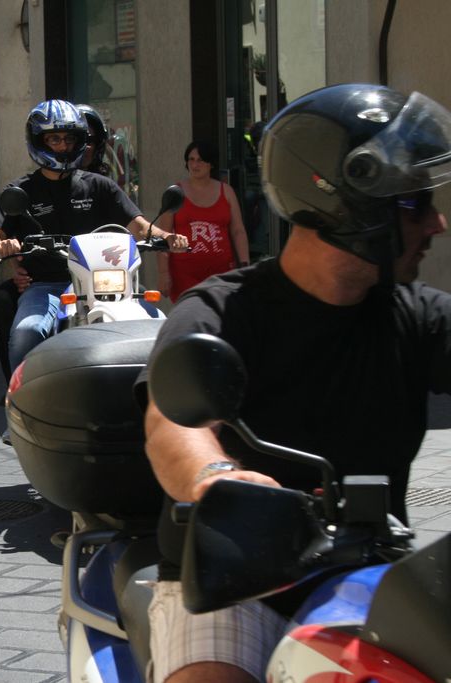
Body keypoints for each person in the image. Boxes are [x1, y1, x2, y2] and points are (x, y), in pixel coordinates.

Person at [136, 83, 451, 683]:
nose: (437, 222)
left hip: (370, 571)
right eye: (414, 203)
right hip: (235, 583)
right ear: (350, 207)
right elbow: (173, 422)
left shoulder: (417, 315)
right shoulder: (221, 311)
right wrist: (216, 478)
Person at [0, 100, 187, 382]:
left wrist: (166, 237)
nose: (63, 145)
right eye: (54, 139)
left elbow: (139, 226)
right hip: (47, 285)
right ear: (39, 141)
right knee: (27, 332)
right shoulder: (21, 191)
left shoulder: (100, 186)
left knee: (158, 324)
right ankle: (19, 400)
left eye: (69, 138)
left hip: (106, 283)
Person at [156, 141, 251, 301]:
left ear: (211, 163)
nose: (195, 165)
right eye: (191, 159)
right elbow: (163, 236)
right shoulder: (175, 193)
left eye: (200, 160)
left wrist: (244, 265)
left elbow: (238, 231)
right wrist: (163, 273)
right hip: (184, 275)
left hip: (221, 274)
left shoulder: (226, 191)